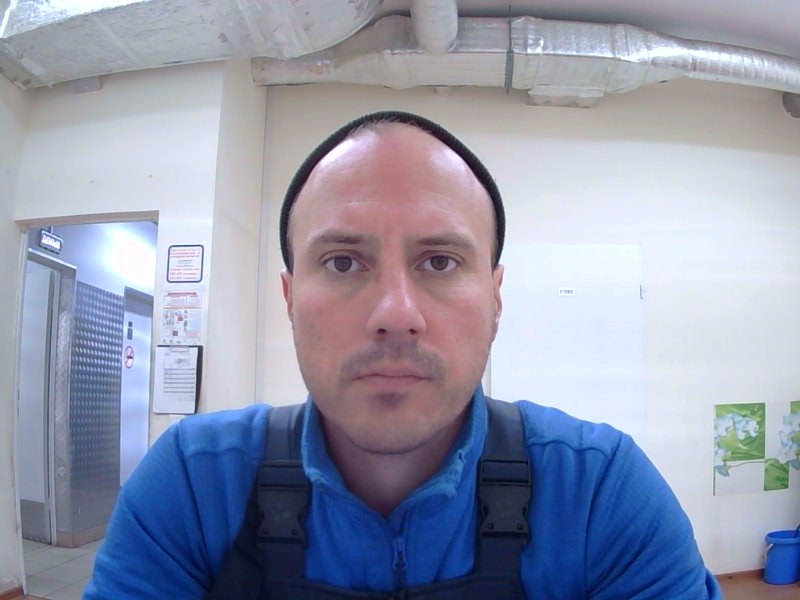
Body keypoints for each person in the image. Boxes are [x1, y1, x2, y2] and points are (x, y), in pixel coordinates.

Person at [84, 111, 720, 599]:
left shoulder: (599, 489)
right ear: (290, 297)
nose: (394, 314)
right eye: (342, 262)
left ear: (495, 297)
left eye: (439, 261)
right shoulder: (194, 484)